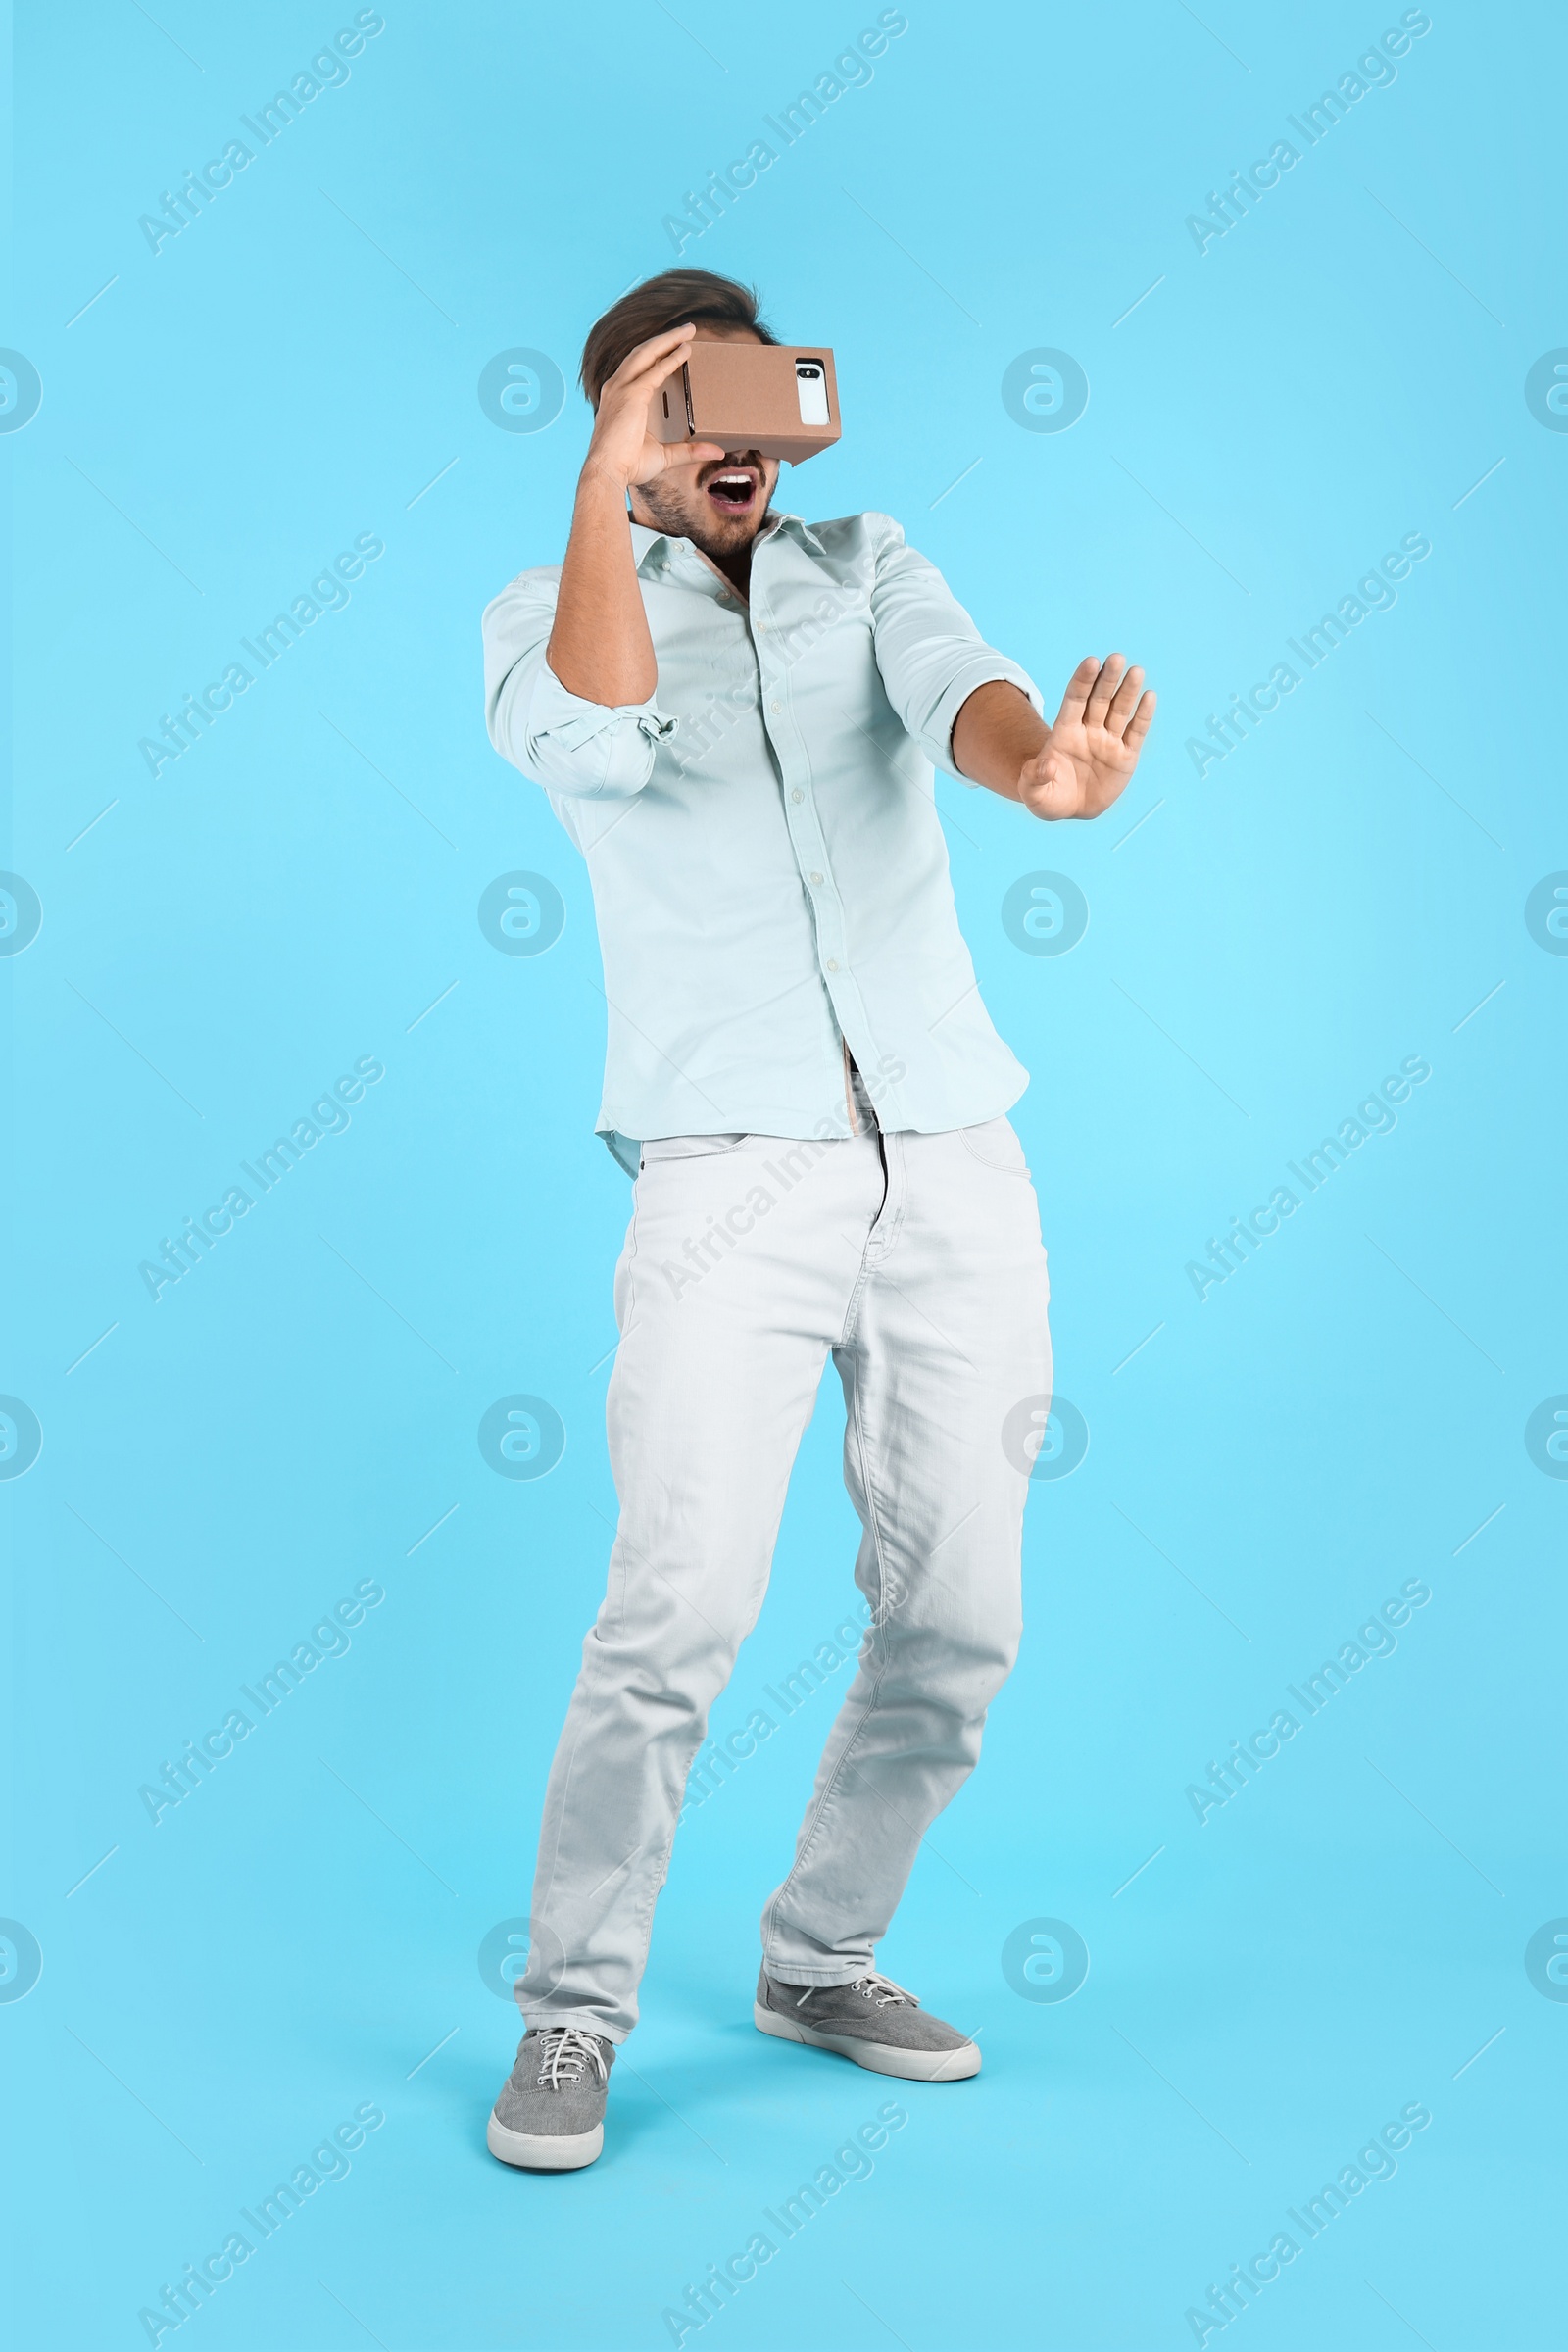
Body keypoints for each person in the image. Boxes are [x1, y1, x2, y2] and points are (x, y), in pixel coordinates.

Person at [480, 268, 1154, 2171]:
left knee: (960, 1614)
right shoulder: (541, 614)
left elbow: (958, 688)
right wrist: (619, 467)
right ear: (619, 439)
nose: (725, 438)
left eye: (741, 396)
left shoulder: (862, 560)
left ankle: (821, 1956)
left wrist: (1039, 766)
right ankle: (570, 2011)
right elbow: (597, 733)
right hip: (726, 1173)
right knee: (676, 1607)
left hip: (947, 1146)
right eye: (674, 408)